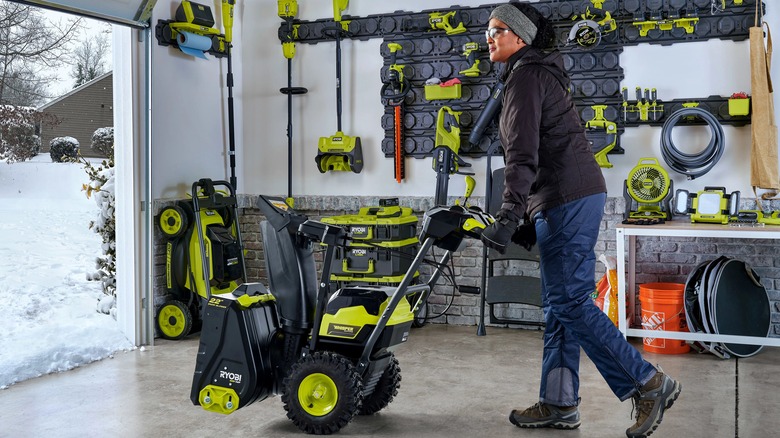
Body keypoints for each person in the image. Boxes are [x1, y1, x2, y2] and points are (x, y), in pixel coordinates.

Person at [479, 3, 682, 438]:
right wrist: (532, 215)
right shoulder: (531, 74)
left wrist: (509, 213)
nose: (488, 38)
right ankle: (559, 402)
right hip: (566, 198)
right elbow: (544, 148)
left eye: (497, 30)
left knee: (570, 302)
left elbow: (522, 156)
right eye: (487, 31)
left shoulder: (527, 77)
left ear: (520, 37)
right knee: (559, 308)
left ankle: (647, 382)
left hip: (568, 198)